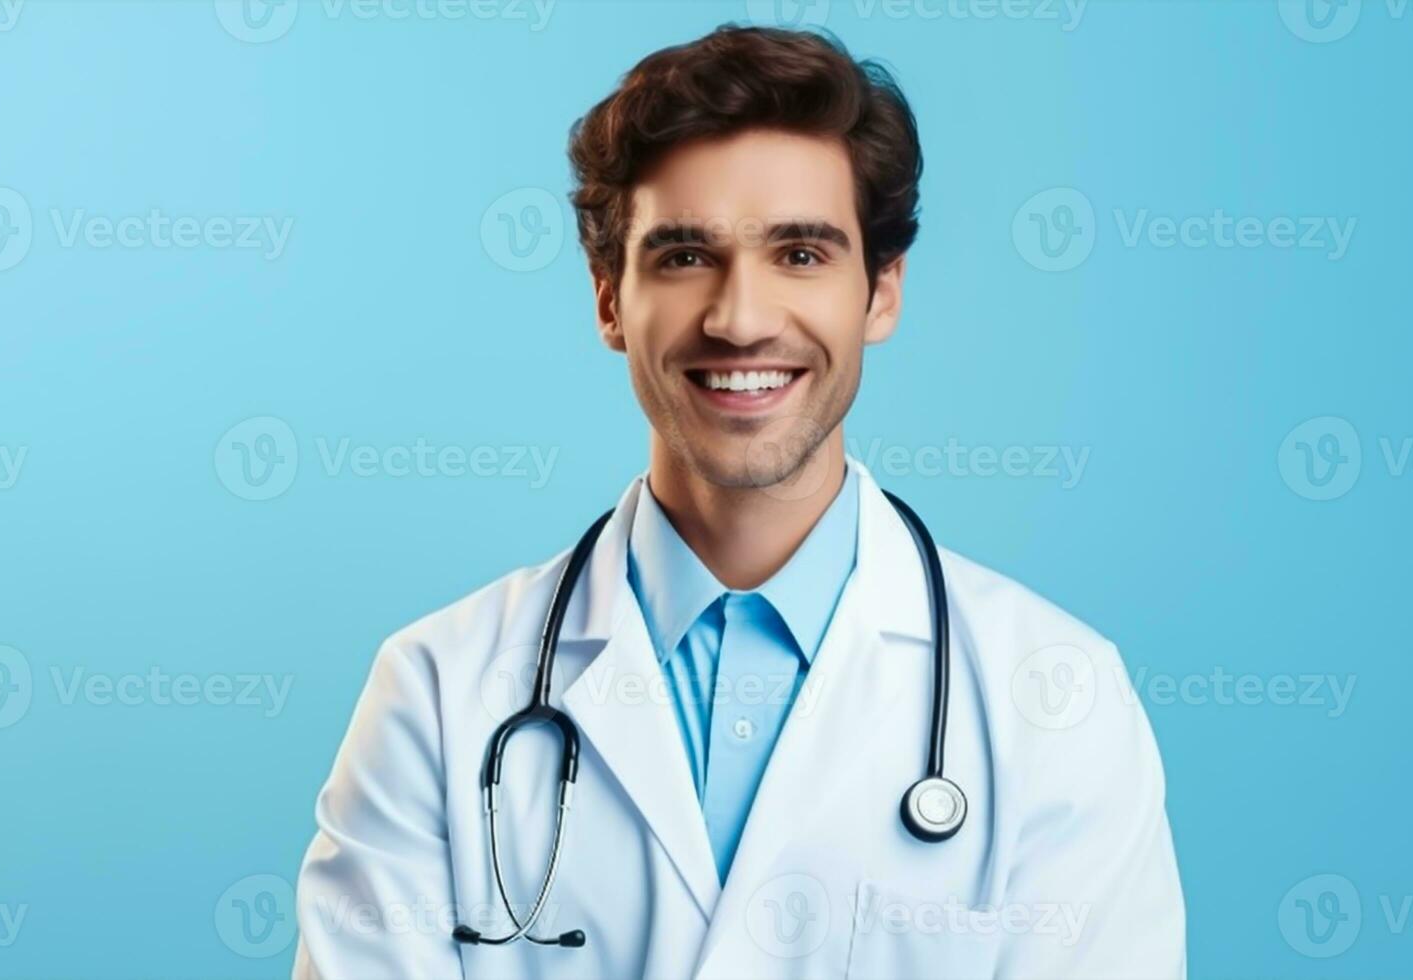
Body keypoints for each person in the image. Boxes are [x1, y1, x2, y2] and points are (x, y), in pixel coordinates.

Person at [293, 24, 1184, 978]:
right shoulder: (439, 692)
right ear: (606, 298)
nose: (741, 319)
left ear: (881, 293)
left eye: (800, 254)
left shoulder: (1056, 698)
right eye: (684, 256)